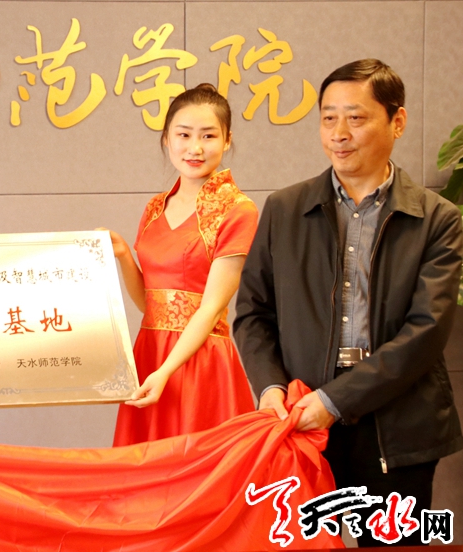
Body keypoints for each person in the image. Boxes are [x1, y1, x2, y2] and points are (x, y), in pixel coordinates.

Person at [234, 59, 463, 547]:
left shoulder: (437, 218)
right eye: (328, 118)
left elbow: (426, 331)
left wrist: (334, 402)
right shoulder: (284, 209)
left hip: (397, 425)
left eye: (356, 118)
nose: (339, 133)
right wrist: (270, 388)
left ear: (397, 122)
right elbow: (253, 313)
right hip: (301, 421)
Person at [108, 83, 257, 445]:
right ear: (166, 139)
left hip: (200, 361)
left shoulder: (238, 210)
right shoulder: (155, 207)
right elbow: (151, 305)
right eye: (184, 134)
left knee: (195, 466)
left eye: (208, 136)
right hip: (149, 351)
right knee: (145, 468)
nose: (195, 148)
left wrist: (166, 371)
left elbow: (211, 309)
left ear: (227, 140)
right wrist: (124, 254)